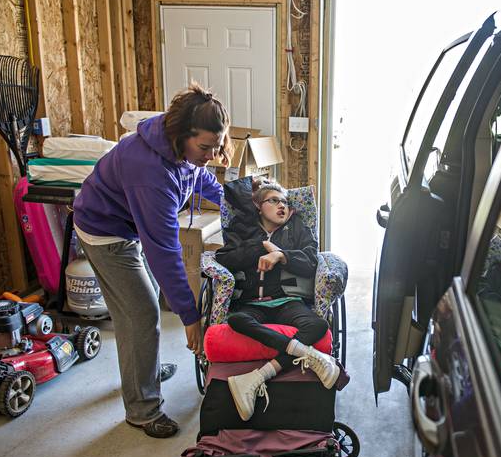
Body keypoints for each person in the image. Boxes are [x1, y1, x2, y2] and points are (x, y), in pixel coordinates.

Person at [73, 83, 232, 438]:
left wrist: (229, 200)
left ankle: (142, 371)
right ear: (181, 136)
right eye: (204, 147)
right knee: (143, 313)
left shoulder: (180, 148)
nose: (210, 155)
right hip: (106, 234)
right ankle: (143, 410)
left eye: (216, 147)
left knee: (135, 313)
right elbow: (164, 251)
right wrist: (190, 317)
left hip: (127, 226)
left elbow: (199, 175)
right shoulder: (149, 171)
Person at [215, 178, 340, 422]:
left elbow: (311, 261)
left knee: (317, 325)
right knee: (237, 320)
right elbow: (226, 259)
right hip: (251, 304)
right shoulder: (241, 228)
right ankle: (309, 354)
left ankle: (257, 377)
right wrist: (262, 246)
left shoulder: (298, 228)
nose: (282, 206)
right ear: (259, 206)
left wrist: (282, 255)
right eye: (274, 201)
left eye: (285, 202)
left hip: (287, 302)